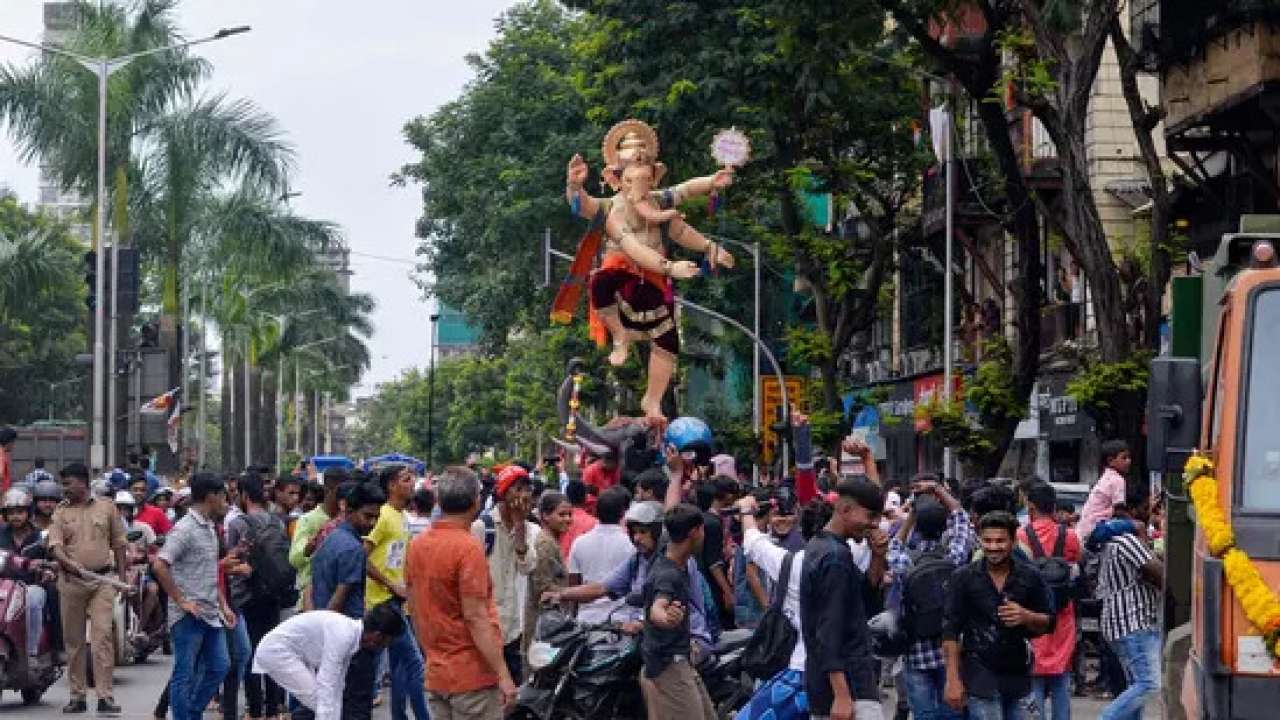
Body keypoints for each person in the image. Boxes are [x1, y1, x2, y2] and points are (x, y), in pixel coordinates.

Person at [406, 466, 517, 718]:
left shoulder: (418, 544)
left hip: (438, 672)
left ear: (439, 501)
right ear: (476, 502)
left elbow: (414, 606)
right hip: (472, 677)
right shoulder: (468, 548)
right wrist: (503, 675)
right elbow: (476, 617)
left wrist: (431, 655)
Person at [943, 512, 1055, 720]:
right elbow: (950, 630)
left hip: (1018, 676)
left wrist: (1027, 616)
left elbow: (1049, 622)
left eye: (1000, 541)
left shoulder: (1030, 577)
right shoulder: (963, 578)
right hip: (979, 675)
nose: (993, 547)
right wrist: (952, 679)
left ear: (1013, 542)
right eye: (987, 540)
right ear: (979, 541)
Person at [887, 478, 974, 720]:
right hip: (951, 651)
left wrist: (910, 518)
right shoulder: (954, 558)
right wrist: (939, 490)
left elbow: (893, 547)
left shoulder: (907, 564)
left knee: (924, 714)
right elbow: (961, 521)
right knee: (952, 713)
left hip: (916, 650)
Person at [799, 477, 885, 720]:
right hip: (848, 686)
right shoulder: (834, 557)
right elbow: (829, 628)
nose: (873, 526)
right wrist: (842, 694)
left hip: (842, 683)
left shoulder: (828, 548)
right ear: (845, 510)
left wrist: (877, 557)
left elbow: (864, 600)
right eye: (870, 517)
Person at [48, 462, 128, 715]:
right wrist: (67, 562)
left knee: (103, 638)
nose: (65, 489)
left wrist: (123, 579)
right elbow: (55, 546)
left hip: (103, 582)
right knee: (74, 642)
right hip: (71, 583)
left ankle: (105, 697)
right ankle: (77, 696)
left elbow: (119, 544)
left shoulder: (107, 507)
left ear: (83, 482)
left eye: (68, 483)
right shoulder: (60, 513)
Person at [151, 473, 233, 720]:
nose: (226, 502)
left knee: (221, 666)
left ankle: (192, 712)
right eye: (222, 496)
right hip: (188, 615)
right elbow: (160, 565)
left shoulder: (208, 527)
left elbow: (209, 570)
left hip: (210, 612)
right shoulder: (184, 529)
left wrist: (223, 605)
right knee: (184, 674)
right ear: (211, 497)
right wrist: (181, 601)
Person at [253, 604, 405, 720]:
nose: (386, 646)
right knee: (320, 700)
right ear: (378, 636)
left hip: (293, 653)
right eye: (388, 641)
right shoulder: (344, 635)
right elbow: (327, 683)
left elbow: (338, 686)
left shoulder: (351, 636)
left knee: (328, 702)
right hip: (277, 651)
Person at [635, 503, 714, 720]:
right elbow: (657, 609)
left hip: (678, 661)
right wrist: (665, 616)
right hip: (669, 666)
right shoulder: (668, 574)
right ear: (695, 532)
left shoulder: (668, 558)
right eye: (703, 530)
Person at [364, 465, 428, 720]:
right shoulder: (383, 516)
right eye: (406, 479)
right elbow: (363, 556)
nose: (412, 483)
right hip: (382, 602)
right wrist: (392, 586)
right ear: (391, 485)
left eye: (412, 479)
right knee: (414, 663)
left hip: (396, 602)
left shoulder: (402, 517)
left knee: (400, 665)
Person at [1096, 478, 1163, 720]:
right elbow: (1160, 574)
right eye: (1148, 509)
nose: (1150, 514)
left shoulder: (1118, 539)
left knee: (1136, 686)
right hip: (1131, 622)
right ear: (1133, 512)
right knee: (1149, 684)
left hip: (1125, 623)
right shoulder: (1127, 540)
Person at [226, 475, 291, 720]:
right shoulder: (277, 521)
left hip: (246, 597)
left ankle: (254, 710)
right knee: (272, 649)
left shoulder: (238, 524)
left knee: (251, 653)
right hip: (273, 593)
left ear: (243, 495)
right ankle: (273, 709)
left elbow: (230, 563)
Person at [1017, 483, 1081, 720]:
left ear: (1030, 507)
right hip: (1062, 616)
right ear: (1054, 506)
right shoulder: (1070, 536)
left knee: (1034, 681)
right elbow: (1077, 566)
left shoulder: (1020, 536)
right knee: (1061, 680)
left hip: (1031, 616)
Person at [470, 464, 538, 683]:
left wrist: (519, 528)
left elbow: (527, 567)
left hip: (513, 629)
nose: (524, 495)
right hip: (487, 626)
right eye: (518, 489)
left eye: (527, 489)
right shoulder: (482, 528)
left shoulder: (530, 529)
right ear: (504, 492)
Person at [312, 482, 384, 618]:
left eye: (377, 517)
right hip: (342, 624)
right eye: (368, 516)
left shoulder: (332, 536)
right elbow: (340, 597)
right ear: (349, 512)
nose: (373, 523)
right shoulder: (353, 548)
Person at [566, 485, 635, 623]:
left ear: (595, 511)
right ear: (623, 513)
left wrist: (572, 617)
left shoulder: (579, 543)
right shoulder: (631, 545)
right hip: (621, 620)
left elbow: (574, 585)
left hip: (586, 619)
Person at [0, 487, 52, 658]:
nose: (15, 516)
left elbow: (52, 558)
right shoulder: (1, 534)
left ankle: (31, 653)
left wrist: (47, 569)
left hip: (31, 585)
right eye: (11, 512)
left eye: (20, 511)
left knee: (33, 601)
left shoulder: (40, 537)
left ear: (28, 513)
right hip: (4, 586)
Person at [290, 468, 347, 611]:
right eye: (340, 493)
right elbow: (294, 559)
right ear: (328, 490)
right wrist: (309, 548)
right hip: (311, 601)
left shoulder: (348, 521)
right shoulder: (307, 520)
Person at [524, 491, 572, 658]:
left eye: (569, 514)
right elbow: (542, 588)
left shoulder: (552, 541)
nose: (567, 519)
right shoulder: (544, 545)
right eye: (562, 514)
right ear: (545, 515)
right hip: (542, 623)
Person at [1077, 440, 1131, 541]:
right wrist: (1132, 521)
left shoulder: (1106, 476)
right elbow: (1119, 511)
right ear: (1110, 461)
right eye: (1124, 458)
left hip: (1085, 529)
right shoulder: (1117, 479)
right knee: (1139, 526)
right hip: (1096, 528)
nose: (1128, 461)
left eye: (1129, 457)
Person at [559, 480, 598, 559]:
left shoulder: (558, 521)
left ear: (566, 497)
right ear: (586, 498)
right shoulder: (595, 523)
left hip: (561, 566)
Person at [0, 426, 16, 492]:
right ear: (8, 441)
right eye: (13, 442)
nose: (14, 446)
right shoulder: (1, 455)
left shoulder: (3, 453)